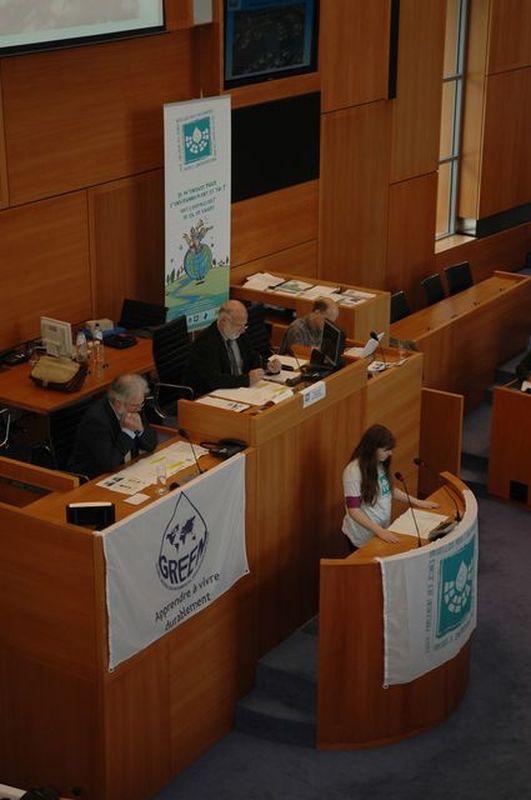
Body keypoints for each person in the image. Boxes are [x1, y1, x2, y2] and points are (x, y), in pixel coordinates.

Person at [342, 424, 439, 550]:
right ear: (373, 448)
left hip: (380, 531)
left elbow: (389, 490)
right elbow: (354, 510)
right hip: (363, 537)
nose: (390, 453)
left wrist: (418, 502)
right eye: (386, 450)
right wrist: (379, 531)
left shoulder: (379, 463)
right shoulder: (353, 472)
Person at [184, 299, 281, 397]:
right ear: (223, 322)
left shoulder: (239, 334)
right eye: (239, 326)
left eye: (245, 325)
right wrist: (246, 380)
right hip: (211, 396)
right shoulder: (206, 342)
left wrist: (267, 366)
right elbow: (214, 379)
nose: (243, 330)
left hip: (239, 391)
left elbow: (252, 356)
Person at [69, 373, 157, 479]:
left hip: (127, 469)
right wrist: (128, 432)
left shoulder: (134, 407)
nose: (139, 409)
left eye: (141, 404)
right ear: (118, 403)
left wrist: (141, 430)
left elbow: (151, 444)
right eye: (135, 405)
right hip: (94, 479)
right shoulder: (96, 420)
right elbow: (109, 463)